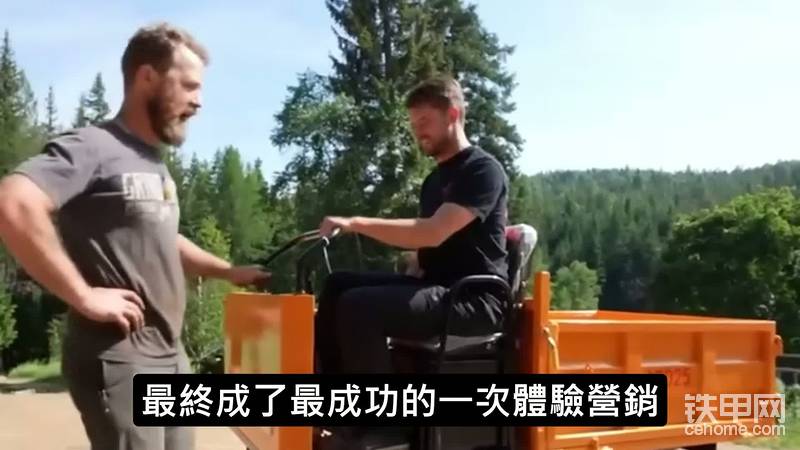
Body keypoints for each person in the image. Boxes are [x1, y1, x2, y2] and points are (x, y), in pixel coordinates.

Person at [0, 22, 268, 450]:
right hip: (119, 357)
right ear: (147, 77)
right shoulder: (93, 146)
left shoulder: (152, 163)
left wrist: (229, 272)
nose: (198, 101)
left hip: (171, 355)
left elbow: (164, 238)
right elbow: (13, 203)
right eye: (189, 86)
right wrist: (83, 295)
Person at [315, 75, 510, 376]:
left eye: (424, 121)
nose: (417, 131)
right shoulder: (434, 180)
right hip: (437, 287)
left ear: (453, 114)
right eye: (414, 124)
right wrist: (413, 262)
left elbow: (432, 232)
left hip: (474, 300)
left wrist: (354, 223)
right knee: (337, 286)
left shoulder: (482, 170)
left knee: (359, 306)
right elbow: (432, 246)